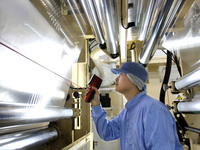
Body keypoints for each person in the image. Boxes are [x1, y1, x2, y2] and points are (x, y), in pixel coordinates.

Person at [89, 62, 183, 150]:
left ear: (133, 79)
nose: (116, 79)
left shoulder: (153, 109)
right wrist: (96, 104)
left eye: (120, 75)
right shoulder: (127, 112)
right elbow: (107, 132)